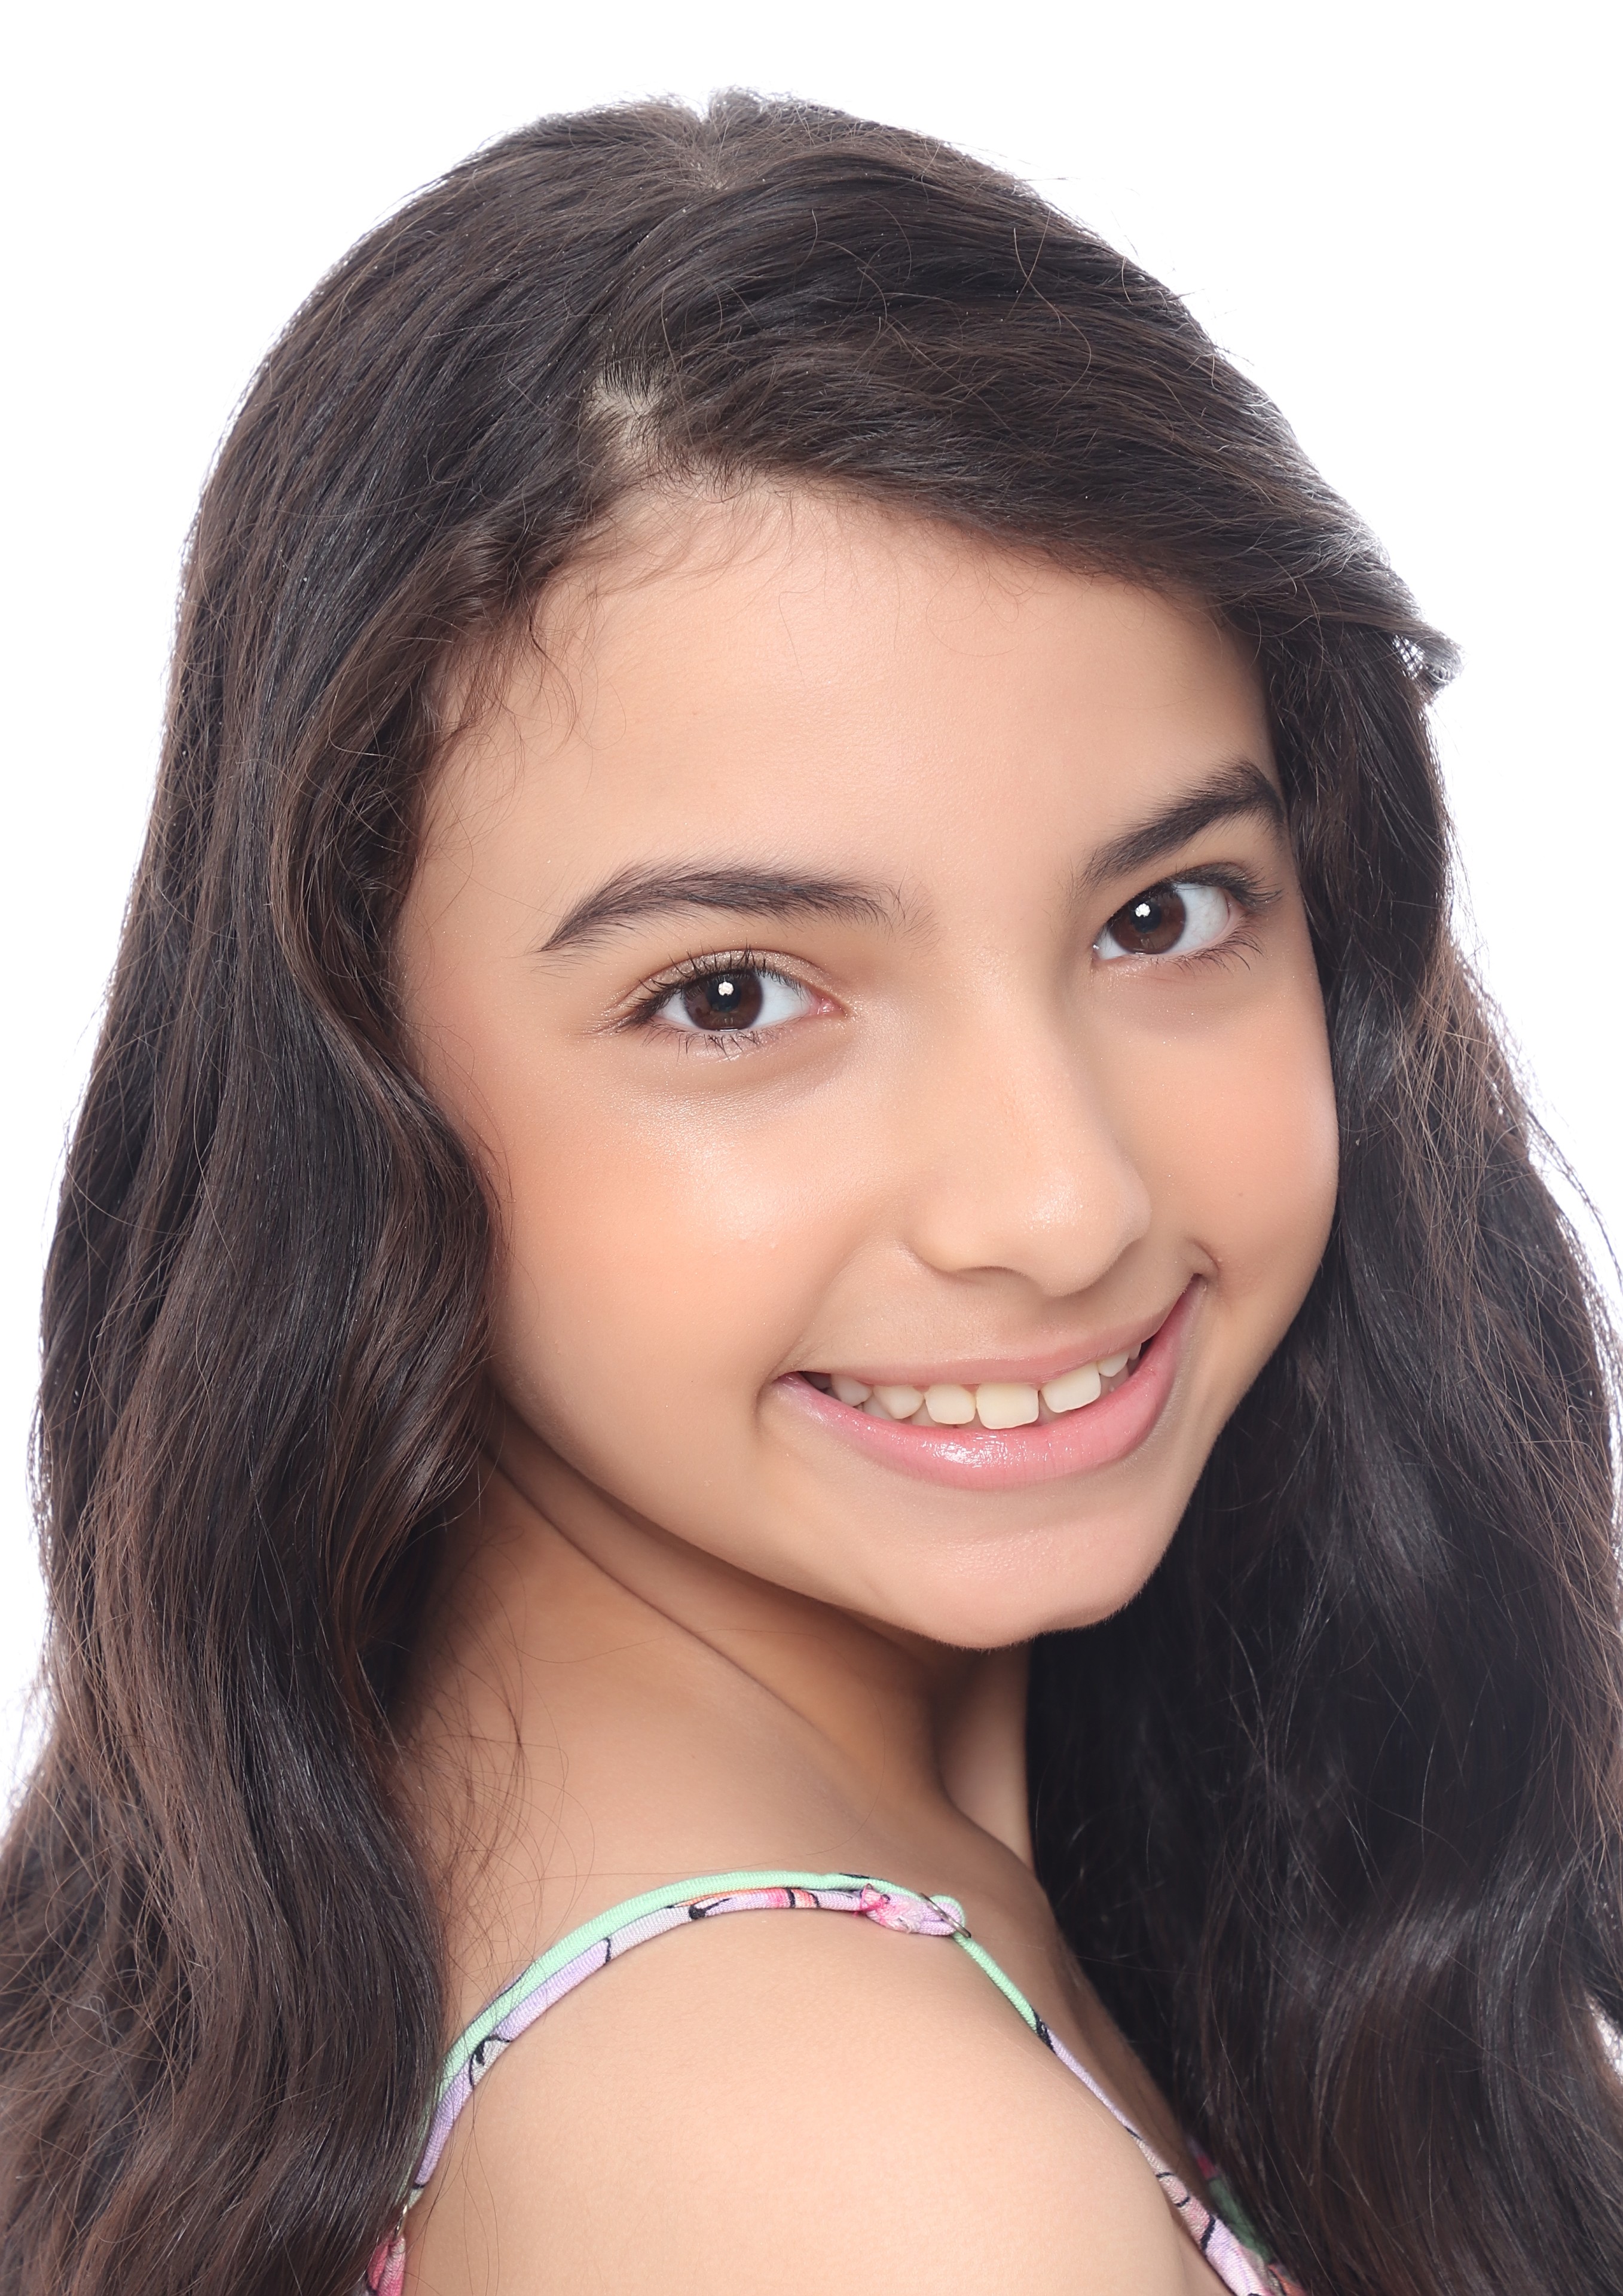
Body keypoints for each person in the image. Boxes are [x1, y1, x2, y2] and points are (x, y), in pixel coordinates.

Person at [2, 91, 1619, 2296]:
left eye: (1162, 916)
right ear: (354, 1072)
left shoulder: (381, 1909)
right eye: (735, 995)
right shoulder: (860, 2172)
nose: (1057, 1202)